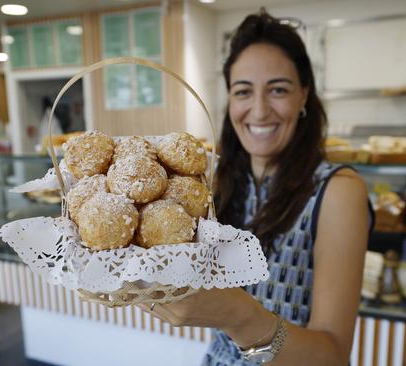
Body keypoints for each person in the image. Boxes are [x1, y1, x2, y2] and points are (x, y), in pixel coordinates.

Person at [139, 10, 372, 365]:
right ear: (230, 101)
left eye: (278, 89)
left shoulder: (336, 191)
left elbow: (334, 357)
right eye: (243, 91)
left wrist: (240, 317)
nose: (259, 110)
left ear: (304, 96)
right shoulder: (214, 182)